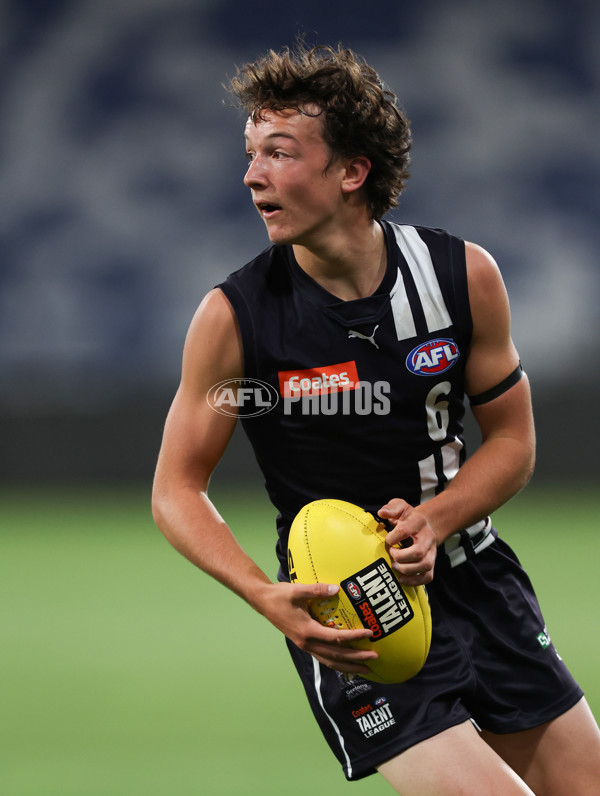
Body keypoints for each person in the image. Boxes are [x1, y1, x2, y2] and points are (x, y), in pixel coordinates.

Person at [152, 44, 600, 795]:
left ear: (352, 172)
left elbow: (515, 441)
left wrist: (437, 518)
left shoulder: (462, 277)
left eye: (279, 153)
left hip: (478, 577)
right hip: (356, 610)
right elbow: (176, 489)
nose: (251, 175)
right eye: (251, 153)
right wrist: (266, 596)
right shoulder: (234, 318)